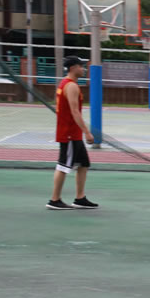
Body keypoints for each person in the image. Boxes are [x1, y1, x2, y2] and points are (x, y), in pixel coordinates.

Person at [48, 56, 98, 210]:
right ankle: (54, 200)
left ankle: (80, 198)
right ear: (72, 68)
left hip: (73, 133)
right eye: (81, 66)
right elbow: (74, 111)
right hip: (69, 133)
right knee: (63, 166)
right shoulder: (71, 86)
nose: (83, 69)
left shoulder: (66, 84)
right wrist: (87, 132)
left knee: (83, 164)